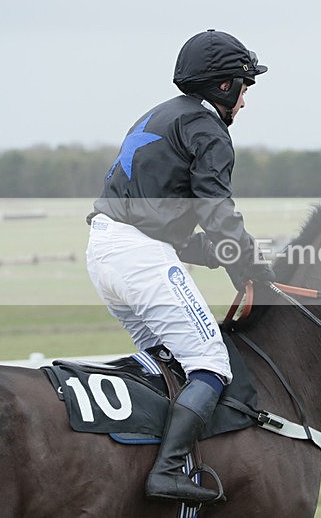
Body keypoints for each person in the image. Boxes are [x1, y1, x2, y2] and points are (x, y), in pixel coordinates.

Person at [85, 29, 275, 504]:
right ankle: (167, 471)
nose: (246, 101)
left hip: (104, 252)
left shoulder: (160, 114)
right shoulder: (208, 129)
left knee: (167, 364)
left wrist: (215, 253)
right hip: (138, 257)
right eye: (244, 87)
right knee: (210, 363)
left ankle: (151, 460)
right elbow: (218, 212)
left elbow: (160, 220)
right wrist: (249, 272)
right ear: (223, 87)